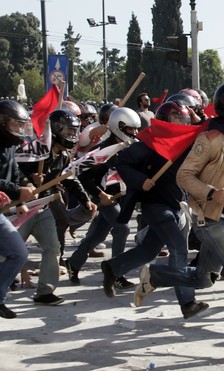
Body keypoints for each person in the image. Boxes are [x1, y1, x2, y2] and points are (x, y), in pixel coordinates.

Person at [134, 81, 224, 360]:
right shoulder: (209, 139)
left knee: (203, 279)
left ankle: (156, 274)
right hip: (210, 219)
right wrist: (212, 192)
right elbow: (184, 176)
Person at [100, 101, 206, 319]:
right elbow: (123, 163)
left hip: (175, 204)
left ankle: (112, 268)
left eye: (183, 120)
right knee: (179, 247)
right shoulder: (149, 141)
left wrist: (200, 120)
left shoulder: (185, 141)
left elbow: (206, 133)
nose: (181, 124)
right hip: (155, 205)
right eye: (176, 119)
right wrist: (141, 180)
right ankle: (187, 301)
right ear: (165, 120)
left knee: (148, 251)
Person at [18, 109, 97, 305]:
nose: (72, 136)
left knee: (53, 247)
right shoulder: (34, 150)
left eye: (74, 132)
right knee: (9, 250)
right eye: (69, 132)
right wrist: (29, 180)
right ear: (56, 129)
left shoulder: (64, 155)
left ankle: (45, 291)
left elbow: (68, 177)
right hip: (22, 208)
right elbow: (14, 172)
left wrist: (84, 198)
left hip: (42, 206)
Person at [65, 107, 140, 286]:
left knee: (98, 234)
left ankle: (73, 263)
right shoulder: (102, 152)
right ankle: (116, 273)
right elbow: (83, 176)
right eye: (131, 129)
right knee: (122, 229)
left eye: (136, 129)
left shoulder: (129, 147)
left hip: (119, 198)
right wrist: (100, 194)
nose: (135, 133)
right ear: (119, 127)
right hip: (104, 198)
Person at [0, 100, 35, 318]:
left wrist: (20, 196)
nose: (19, 130)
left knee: (18, 253)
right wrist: (18, 190)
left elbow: (13, 174)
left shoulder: (11, 145)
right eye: (15, 124)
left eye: (22, 125)